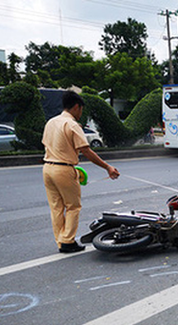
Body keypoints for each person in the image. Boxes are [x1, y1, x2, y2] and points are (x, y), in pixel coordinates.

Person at [42, 91, 120, 253]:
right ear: (76, 107)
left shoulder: (51, 122)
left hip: (47, 168)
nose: (81, 113)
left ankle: (60, 240)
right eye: (81, 109)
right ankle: (68, 241)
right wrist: (108, 167)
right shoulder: (71, 125)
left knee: (56, 207)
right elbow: (86, 150)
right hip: (63, 169)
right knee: (73, 207)